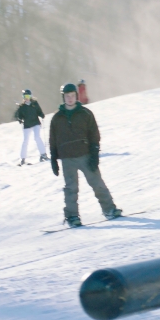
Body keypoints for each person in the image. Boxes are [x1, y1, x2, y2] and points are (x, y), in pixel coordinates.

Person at [49, 83, 120, 226]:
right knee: (71, 189)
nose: (70, 99)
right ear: (63, 97)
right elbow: (53, 140)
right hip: (67, 158)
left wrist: (94, 154)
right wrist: (54, 158)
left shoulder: (85, 114)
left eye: (72, 96)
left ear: (77, 96)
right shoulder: (57, 118)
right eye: (67, 96)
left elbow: (94, 135)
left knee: (97, 184)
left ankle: (109, 209)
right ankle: (72, 217)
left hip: (85, 156)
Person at [13, 89, 48, 166]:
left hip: (36, 123)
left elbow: (39, 111)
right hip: (27, 125)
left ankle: (43, 155)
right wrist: (19, 119)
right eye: (25, 96)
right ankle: (23, 159)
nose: (26, 98)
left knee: (37, 137)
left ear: (31, 96)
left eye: (28, 96)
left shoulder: (34, 103)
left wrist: (42, 115)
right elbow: (18, 116)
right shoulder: (22, 107)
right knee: (25, 141)